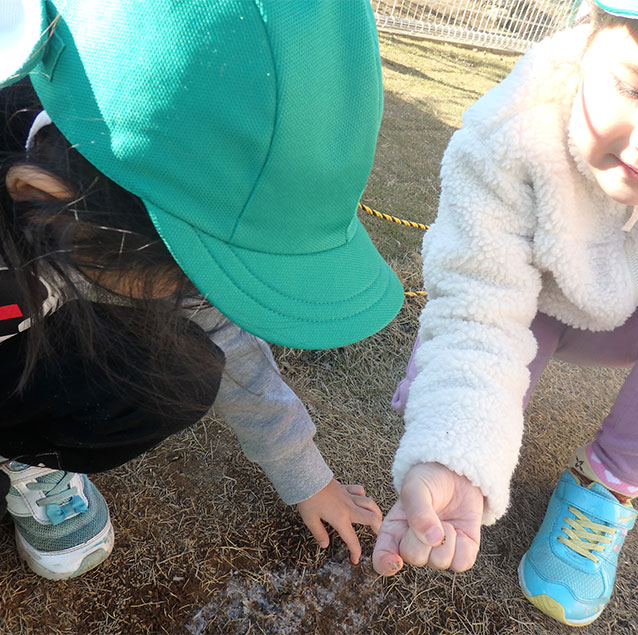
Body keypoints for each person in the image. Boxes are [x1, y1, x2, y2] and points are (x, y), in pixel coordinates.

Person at [373, 0, 638, 626]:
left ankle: (605, 487)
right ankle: (454, 405)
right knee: (457, 395)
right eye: (635, 88)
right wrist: (456, 448)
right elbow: (478, 309)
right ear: (585, 38)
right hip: (530, 302)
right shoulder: (510, 134)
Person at [0, 0, 404, 580]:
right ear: (44, 194)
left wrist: (306, 475)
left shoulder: (110, 223)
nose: (202, 300)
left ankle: (28, 454)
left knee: (183, 369)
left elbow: (227, 344)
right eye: (185, 275)